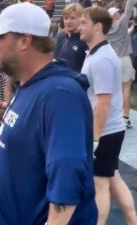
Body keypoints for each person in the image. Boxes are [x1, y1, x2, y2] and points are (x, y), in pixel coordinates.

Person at [0, 2, 98, 224]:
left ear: (24, 41)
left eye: (1, 37)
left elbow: (67, 177)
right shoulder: (28, 85)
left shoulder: (60, 94)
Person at [79, 6, 137, 225]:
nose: (80, 27)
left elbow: (103, 102)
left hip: (105, 131)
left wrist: (95, 138)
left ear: (97, 27)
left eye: (84, 23)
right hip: (109, 130)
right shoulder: (96, 53)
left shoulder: (102, 58)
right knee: (113, 178)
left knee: (99, 184)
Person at [106, 0, 136, 129]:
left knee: (113, 89)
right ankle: (126, 117)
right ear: (114, 17)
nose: (119, 14)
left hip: (112, 60)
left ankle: (114, 115)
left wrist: (130, 30)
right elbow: (129, 9)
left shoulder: (105, 30)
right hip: (124, 59)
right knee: (126, 88)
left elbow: (123, 36)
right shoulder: (122, 23)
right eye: (116, 13)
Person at [54, 3, 88, 72]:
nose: (68, 22)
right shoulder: (60, 38)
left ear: (81, 19)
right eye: (66, 18)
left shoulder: (85, 41)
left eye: (72, 18)